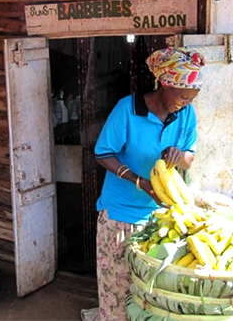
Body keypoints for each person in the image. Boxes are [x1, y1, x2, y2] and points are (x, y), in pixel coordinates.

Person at [81, 47, 205, 321]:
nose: (186, 103)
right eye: (183, 96)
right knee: (117, 292)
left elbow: (189, 158)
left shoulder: (186, 114)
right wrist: (139, 180)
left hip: (163, 220)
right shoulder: (128, 109)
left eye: (191, 98)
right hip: (121, 217)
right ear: (165, 84)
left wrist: (180, 155)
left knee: (153, 297)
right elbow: (103, 153)